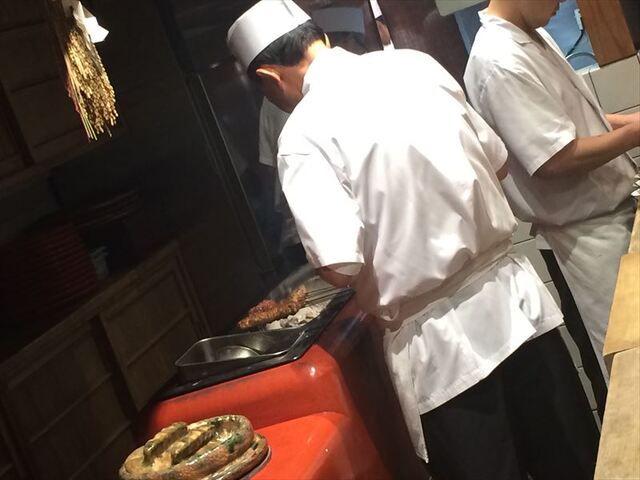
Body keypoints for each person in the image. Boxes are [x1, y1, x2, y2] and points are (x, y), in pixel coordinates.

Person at [227, 1, 599, 478]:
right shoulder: (414, 64)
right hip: (516, 308)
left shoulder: (301, 135)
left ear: (269, 77)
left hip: (442, 351)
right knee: (573, 463)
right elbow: (500, 163)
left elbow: (339, 266)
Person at [464, 0, 640, 418]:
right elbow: (555, 158)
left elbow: (577, 120)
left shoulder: (531, 35)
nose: (562, 2)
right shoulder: (497, 60)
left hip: (611, 218)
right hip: (589, 237)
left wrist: (631, 123)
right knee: (630, 373)